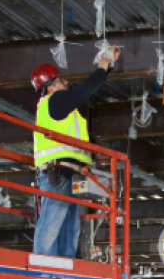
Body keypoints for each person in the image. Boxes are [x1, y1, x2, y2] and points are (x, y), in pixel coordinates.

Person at [30, 46, 121, 258]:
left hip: (68, 174)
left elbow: (82, 93)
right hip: (57, 173)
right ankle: (42, 268)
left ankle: (62, 272)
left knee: (69, 229)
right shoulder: (54, 102)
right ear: (50, 87)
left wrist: (106, 68)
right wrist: (101, 68)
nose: (66, 83)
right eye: (61, 81)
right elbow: (81, 92)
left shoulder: (60, 107)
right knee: (53, 225)